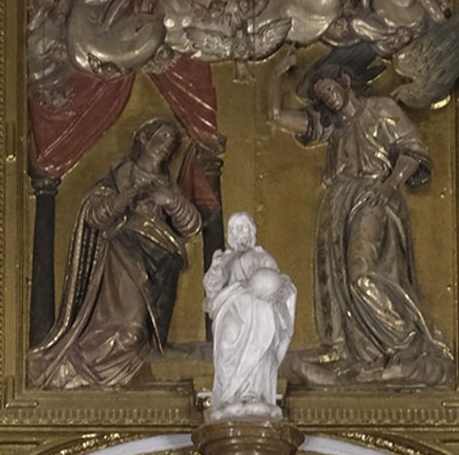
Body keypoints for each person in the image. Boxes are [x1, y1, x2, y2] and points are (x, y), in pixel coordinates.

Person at [270, 55, 451, 387]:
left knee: (362, 274)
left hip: (372, 196)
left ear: (345, 80)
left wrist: (390, 185)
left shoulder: (380, 109)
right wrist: (277, 77)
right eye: (321, 95)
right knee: (334, 280)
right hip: (338, 202)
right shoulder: (334, 125)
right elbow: (278, 117)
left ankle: (407, 342)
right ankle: (349, 350)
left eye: (327, 88)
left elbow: (413, 150)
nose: (327, 97)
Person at [28, 116, 201, 391]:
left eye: (173, 142)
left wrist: (170, 201)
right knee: (129, 332)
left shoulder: (166, 184)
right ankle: (81, 367)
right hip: (123, 255)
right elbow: (94, 214)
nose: (168, 146)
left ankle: (99, 368)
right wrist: (124, 198)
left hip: (161, 261)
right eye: (163, 137)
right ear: (144, 138)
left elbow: (191, 226)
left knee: (139, 332)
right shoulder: (120, 175)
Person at [203, 211, 296, 417]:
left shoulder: (263, 257)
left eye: (243, 227)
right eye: (235, 228)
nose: (239, 232)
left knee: (260, 341)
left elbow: (279, 283)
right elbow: (212, 289)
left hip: (258, 305)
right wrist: (217, 269)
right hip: (230, 306)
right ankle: (229, 396)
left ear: (251, 231)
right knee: (228, 343)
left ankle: (253, 392)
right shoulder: (225, 259)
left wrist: (276, 290)